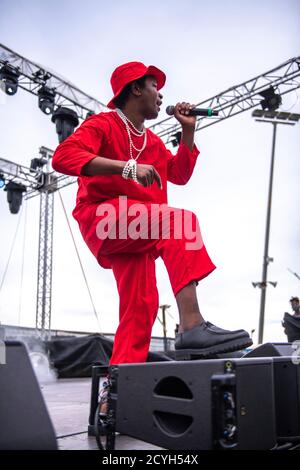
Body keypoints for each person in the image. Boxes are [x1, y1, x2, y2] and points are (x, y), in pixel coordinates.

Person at [52, 61, 252, 372]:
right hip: (103, 218)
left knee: (140, 307)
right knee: (179, 222)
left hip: (138, 230)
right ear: (135, 88)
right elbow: (62, 157)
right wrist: (126, 168)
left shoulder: (153, 142)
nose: (160, 95)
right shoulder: (103, 125)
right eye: (154, 87)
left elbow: (180, 174)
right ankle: (191, 325)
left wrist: (188, 130)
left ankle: (115, 393)